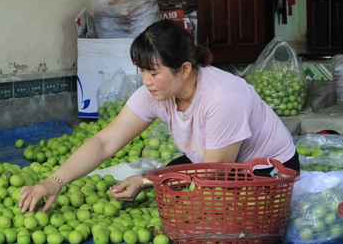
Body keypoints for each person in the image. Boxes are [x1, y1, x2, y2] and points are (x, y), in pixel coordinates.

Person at [19, 19, 300, 213]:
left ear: (185, 70)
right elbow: (106, 141)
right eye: (141, 71)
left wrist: (145, 180)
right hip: (215, 162)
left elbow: (214, 175)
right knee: (170, 174)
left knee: (207, 203)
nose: (146, 81)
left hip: (269, 167)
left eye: (153, 73)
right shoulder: (157, 93)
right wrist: (53, 181)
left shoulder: (222, 99)